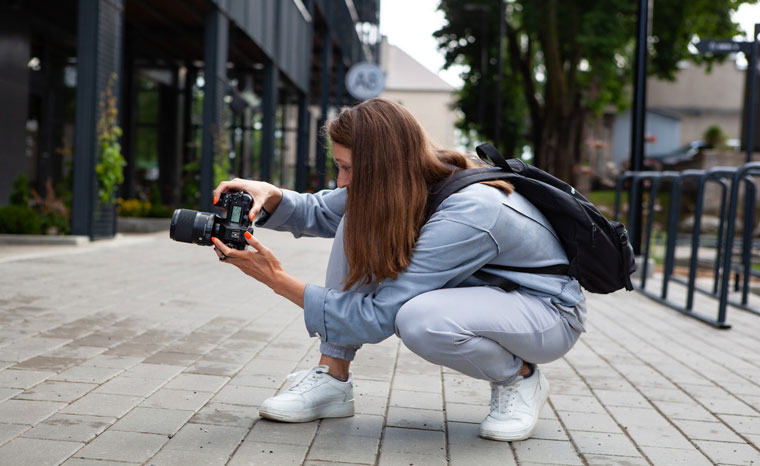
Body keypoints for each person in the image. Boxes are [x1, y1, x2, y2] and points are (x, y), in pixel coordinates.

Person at [210, 98, 586, 442]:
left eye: (347, 168)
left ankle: (520, 379)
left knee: (420, 320)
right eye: (338, 166)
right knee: (358, 216)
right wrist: (269, 193)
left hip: (546, 314)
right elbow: (322, 211)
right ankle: (333, 377)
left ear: (383, 165)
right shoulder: (410, 177)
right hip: (490, 296)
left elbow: (379, 316)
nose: (341, 181)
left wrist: (274, 279)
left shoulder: (473, 210)